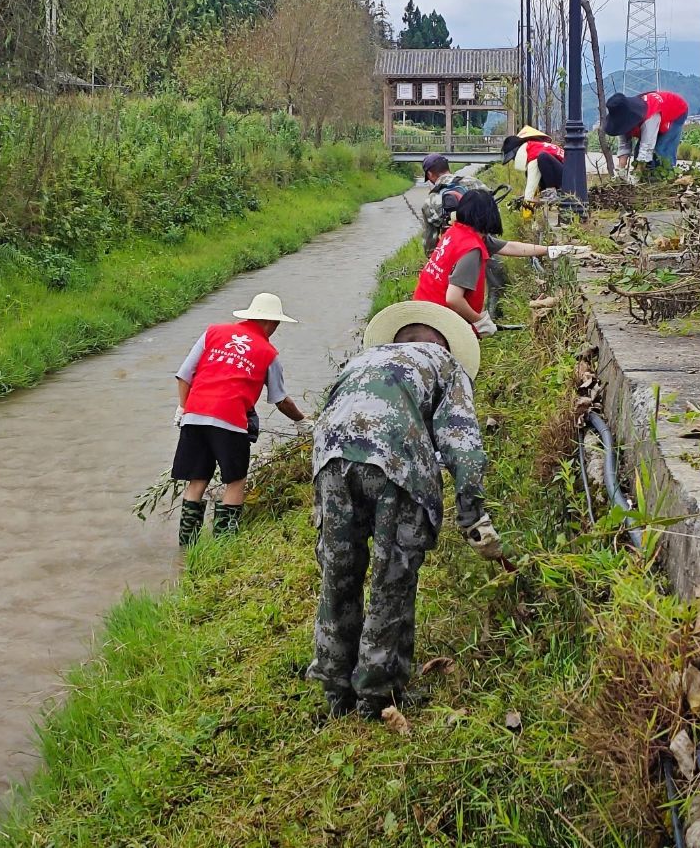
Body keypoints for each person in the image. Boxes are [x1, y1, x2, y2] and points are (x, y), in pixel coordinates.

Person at [307, 300, 503, 719]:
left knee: (338, 572)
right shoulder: (445, 364)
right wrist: (472, 513)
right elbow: (462, 443)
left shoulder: (359, 362)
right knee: (391, 575)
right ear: (443, 341)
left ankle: (335, 687)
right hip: (397, 462)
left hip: (330, 459)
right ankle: (376, 694)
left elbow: (329, 417)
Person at [172, 292, 308, 547]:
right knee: (235, 481)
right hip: (230, 420)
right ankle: (223, 546)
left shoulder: (212, 332)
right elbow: (281, 400)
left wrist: (183, 407)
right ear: (271, 322)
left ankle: (187, 547)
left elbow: (184, 375)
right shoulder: (268, 352)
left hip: (194, 415)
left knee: (197, 481)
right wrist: (302, 422)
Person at [413, 189, 587, 338]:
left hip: (421, 309)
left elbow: (510, 246)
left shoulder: (457, 232)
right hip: (438, 322)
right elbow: (453, 298)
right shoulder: (471, 250)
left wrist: (551, 250)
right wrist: (479, 321)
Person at [418, 154, 508, 316]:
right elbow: (494, 213)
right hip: (485, 241)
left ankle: (467, 321)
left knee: (457, 293)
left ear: (430, 174)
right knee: (496, 283)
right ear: (448, 167)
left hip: (455, 250)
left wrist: (436, 261)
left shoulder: (430, 201)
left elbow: (430, 241)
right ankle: (494, 315)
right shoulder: (475, 183)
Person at [603, 90, 690, 178]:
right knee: (638, 153)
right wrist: (621, 172)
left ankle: (666, 180)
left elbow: (646, 147)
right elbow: (624, 145)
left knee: (661, 152)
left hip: (676, 110)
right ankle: (648, 179)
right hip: (656, 118)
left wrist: (636, 176)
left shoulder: (649, 118)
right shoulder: (620, 122)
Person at [500, 125, 565, 217]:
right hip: (562, 173)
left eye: (513, 158)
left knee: (543, 158)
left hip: (567, 179)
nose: (514, 160)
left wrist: (527, 205)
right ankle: (548, 192)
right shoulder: (534, 146)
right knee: (534, 169)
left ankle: (551, 192)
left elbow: (531, 185)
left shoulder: (534, 153)